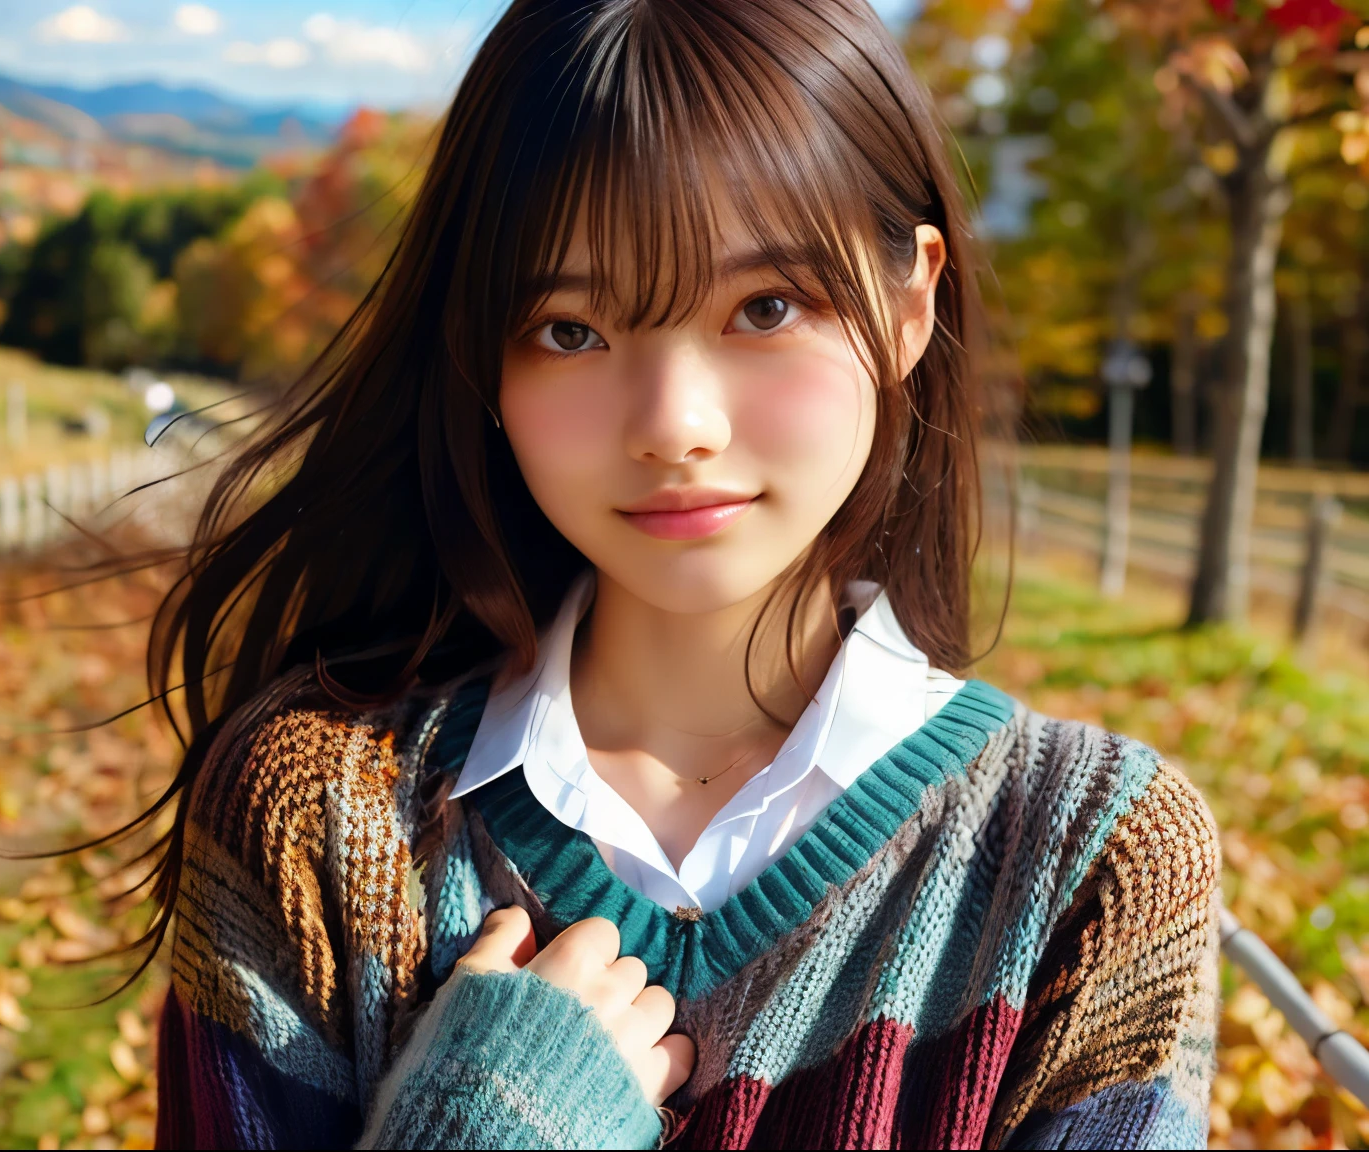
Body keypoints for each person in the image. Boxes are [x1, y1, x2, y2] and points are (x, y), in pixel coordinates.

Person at [148, 1, 1221, 1147]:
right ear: (481, 353)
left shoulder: (1090, 865)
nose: (673, 426)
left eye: (766, 307)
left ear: (912, 303)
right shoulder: (318, 814)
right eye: (570, 329)